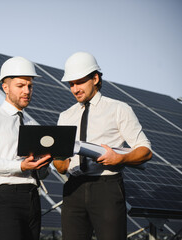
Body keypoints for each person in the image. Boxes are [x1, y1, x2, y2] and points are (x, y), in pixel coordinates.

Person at [53, 52, 152, 240]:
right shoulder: (65, 116)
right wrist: (54, 158)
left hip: (106, 187)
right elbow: (62, 167)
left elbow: (145, 150)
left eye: (79, 82)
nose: (75, 89)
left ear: (95, 78)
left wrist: (120, 158)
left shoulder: (118, 109)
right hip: (73, 189)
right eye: (71, 84)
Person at [0, 56, 51, 240]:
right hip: (4, 198)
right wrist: (20, 166)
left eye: (30, 86)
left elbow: (40, 173)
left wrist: (45, 164)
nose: (27, 91)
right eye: (20, 85)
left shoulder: (33, 125)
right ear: (5, 87)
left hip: (32, 197)